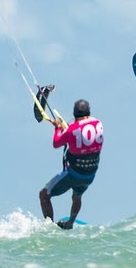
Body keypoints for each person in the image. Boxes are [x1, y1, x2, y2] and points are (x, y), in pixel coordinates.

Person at [39, 98, 103, 229]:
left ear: (74, 114)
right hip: (90, 175)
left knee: (44, 195)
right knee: (77, 195)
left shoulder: (71, 130)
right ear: (89, 112)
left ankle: (49, 227)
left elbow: (56, 143)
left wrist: (58, 128)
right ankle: (70, 223)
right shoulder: (98, 123)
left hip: (73, 174)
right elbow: (83, 134)